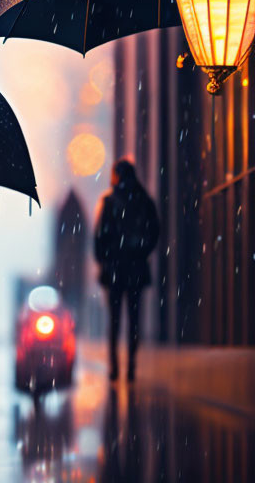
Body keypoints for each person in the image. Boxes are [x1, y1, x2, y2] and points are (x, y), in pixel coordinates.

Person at [94, 159, 160, 382]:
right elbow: (154, 232)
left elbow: (100, 236)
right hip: (134, 267)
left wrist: (105, 256)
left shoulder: (110, 202)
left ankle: (115, 368)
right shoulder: (143, 201)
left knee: (115, 321)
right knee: (133, 319)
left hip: (116, 268)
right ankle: (130, 365)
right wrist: (140, 250)